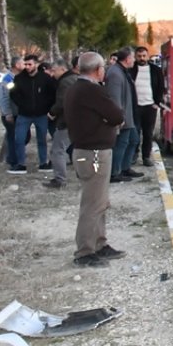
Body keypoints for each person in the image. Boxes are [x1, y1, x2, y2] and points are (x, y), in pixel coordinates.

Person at [63, 51, 127, 267]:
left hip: (87, 152)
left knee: (100, 202)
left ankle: (99, 243)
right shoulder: (91, 90)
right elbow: (117, 115)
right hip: (93, 154)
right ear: (99, 70)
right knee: (92, 204)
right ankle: (85, 251)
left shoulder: (75, 88)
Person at [11, 54, 57, 173]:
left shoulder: (46, 78)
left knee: (42, 139)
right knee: (19, 139)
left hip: (41, 115)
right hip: (24, 115)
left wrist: (47, 107)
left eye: (29, 64)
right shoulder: (18, 78)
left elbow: (53, 94)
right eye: (25, 64)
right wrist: (22, 104)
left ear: (36, 64)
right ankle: (21, 164)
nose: (27, 67)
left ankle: (43, 163)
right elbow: (13, 93)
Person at [105, 48, 142, 183]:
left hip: (129, 115)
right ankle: (115, 173)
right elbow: (114, 98)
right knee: (121, 144)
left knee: (133, 140)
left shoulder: (122, 71)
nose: (134, 60)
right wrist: (118, 117)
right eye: (133, 57)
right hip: (123, 117)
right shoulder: (115, 73)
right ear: (127, 59)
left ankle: (125, 168)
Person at [130, 46, 166, 167]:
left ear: (147, 55)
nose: (141, 58)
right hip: (136, 107)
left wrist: (157, 102)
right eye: (139, 56)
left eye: (144, 56)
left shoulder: (155, 70)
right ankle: (134, 155)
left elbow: (161, 87)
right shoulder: (131, 70)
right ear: (135, 56)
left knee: (148, 133)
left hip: (150, 107)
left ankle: (146, 157)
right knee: (135, 132)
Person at [45, 59, 79, 189]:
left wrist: (52, 112)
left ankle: (60, 180)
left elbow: (62, 102)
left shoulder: (65, 82)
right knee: (77, 150)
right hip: (78, 121)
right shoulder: (76, 79)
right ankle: (83, 175)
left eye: (54, 70)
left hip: (67, 121)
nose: (52, 74)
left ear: (63, 69)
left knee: (57, 151)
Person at [0, 58, 20, 169]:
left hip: (17, 113)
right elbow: (4, 98)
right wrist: (8, 113)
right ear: (16, 65)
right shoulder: (8, 80)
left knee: (17, 137)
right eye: (22, 63)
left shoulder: (17, 78)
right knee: (12, 137)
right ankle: (13, 161)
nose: (25, 65)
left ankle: (10, 156)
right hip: (11, 114)